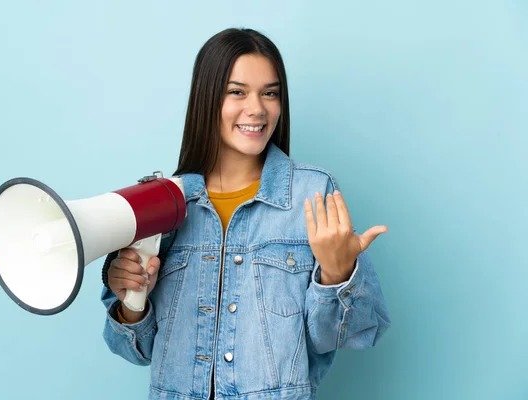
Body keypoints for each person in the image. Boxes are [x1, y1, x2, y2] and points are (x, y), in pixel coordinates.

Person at [100, 27, 391, 400]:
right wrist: (131, 305)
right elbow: (132, 350)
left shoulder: (314, 194)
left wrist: (338, 275)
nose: (257, 109)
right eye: (237, 92)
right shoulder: (163, 202)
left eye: (270, 93)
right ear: (207, 99)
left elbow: (354, 335)